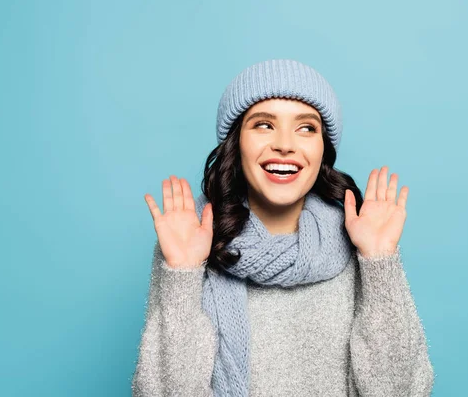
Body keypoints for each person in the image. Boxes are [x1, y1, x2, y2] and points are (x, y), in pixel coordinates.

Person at [131, 59, 434, 396]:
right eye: (264, 125)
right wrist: (183, 274)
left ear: (323, 149)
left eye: (306, 128)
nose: (285, 144)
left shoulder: (362, 240)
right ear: (236, 142)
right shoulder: (193, 238)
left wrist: (380, 264)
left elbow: (403, 391)